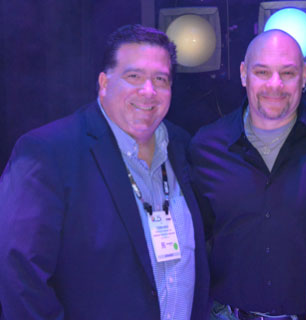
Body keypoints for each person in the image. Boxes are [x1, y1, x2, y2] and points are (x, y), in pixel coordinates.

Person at [0, 24, 209, 320]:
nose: (148, 91)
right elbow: (16, 274)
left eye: (160, 79)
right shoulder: (48, 152)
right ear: (104, 83)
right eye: (133, 76)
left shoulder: (182, 146)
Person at [189, 30, 306, 320]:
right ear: (243, 74)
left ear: (304, 75)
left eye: (287, 73)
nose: (274, 85)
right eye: (262, 72)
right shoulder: (206, 146)